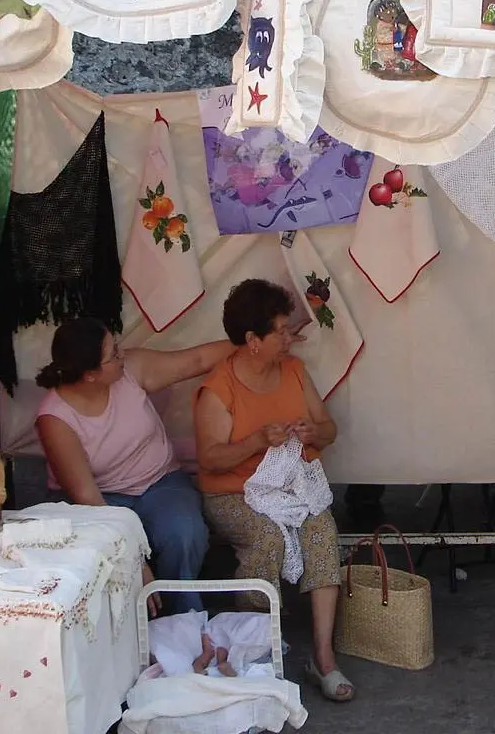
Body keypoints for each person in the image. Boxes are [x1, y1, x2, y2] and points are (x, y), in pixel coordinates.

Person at [194, 279, 355, 703]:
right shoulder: (219, 388)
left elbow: (330, 430)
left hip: (292, 487)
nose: (290, 338)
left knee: (321, 532)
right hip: (233, 494)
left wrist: (311, 430)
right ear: (252, 340)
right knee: (266, 538)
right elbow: (210, 460)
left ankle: (323, 658)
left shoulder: (295, 371)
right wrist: (256, 442)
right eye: (281, 331)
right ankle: (255, 651)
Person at [35, 317, 235, 617]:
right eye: (113, 354)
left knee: (184, 532)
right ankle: (130, 631)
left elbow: (197, 359)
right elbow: (89, 498)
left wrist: (253, 341)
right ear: (91, 375)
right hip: (101, 501)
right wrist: (136, 560)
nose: (122, 354)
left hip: (160, 482)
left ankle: (182, 619)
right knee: (108, 557)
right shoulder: (55, 418)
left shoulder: (130, 370)